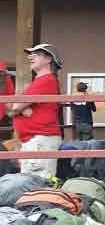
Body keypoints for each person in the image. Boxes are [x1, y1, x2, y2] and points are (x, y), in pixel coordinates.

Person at [6, 44, 63, 179]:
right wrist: (22, 108)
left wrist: (19, 108)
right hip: (36, 140)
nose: (30, 56)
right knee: (33, 182)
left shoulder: (46, 80)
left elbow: (14, 107)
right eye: (30, 54)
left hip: (40, 140)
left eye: (36, 53)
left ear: (49, 59)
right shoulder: (42, 81)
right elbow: (13, 108)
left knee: (37, 183)